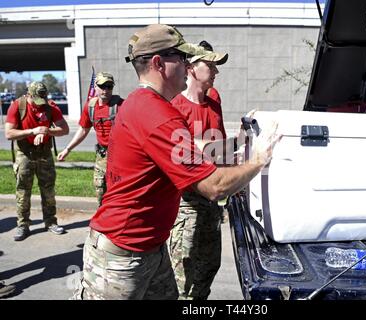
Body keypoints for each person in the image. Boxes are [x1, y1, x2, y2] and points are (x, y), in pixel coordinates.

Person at [72, 24, 279, 300]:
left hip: (150, 249)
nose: (186, 65)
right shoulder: (156, 114)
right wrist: (259, 159)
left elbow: (193, 148)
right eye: (182, 58)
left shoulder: (146, 105)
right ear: (158, 63)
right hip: (122, 258)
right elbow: (214, 186)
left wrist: (237, 144)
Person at [169, 45, 229, 299]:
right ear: (191, 68)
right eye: (210, 65)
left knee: (207, 270)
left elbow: (222, 148)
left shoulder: (214, 101)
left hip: (212, 202)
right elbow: (176, 154)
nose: (216, 71)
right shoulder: (175, 106)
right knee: (182, 276)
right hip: (186, 205)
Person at [4, 82, 69, 241]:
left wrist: (48, 130)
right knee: (23, 191)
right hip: (25, 153)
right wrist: (31, 131)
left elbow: (64, 129)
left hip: (44, 153)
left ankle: (50, 222)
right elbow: (9, 133)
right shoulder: (17, 106)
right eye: (37, 100)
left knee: (48, 190)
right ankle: (23, 225)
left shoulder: (50, 106)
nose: (41, 103)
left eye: (43, 98)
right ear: (29, 95)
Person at [57, 72, 124, 206]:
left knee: (118, 192)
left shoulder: (121, 105)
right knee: (100, 190)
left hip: (120, 156)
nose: (105, 90)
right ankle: (103, 221)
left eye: (109, 86)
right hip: (102, 155)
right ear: (96, 87)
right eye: (102, 86)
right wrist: (67, 149)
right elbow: (83, 130)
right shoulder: (90, 106)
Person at [198, 40, 222, 104]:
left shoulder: (212, 94)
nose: (216, 71)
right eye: (210, 65)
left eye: (214, 65)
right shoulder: (176, 97)